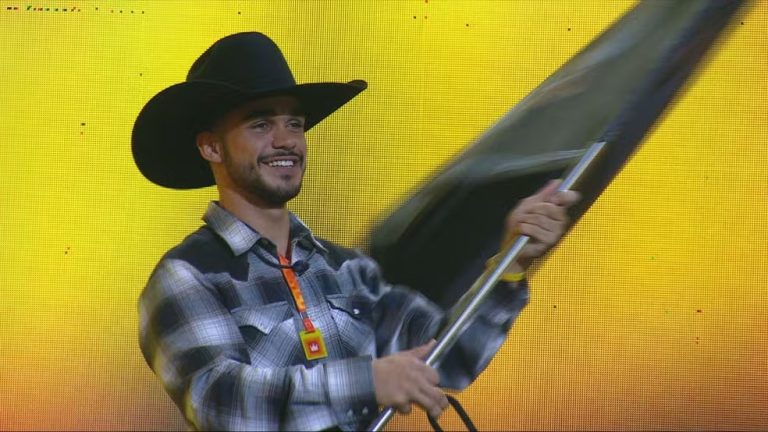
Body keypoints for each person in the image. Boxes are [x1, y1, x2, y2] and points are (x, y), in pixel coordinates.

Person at [133, 32, 579, 431]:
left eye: (295, 123)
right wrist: (368, 380)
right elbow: (221, 404)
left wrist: (511, 264)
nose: (286, 140)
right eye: (261, 123)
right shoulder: (186, 276)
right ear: (211, 146)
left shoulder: (346, 270)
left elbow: (448, 357)